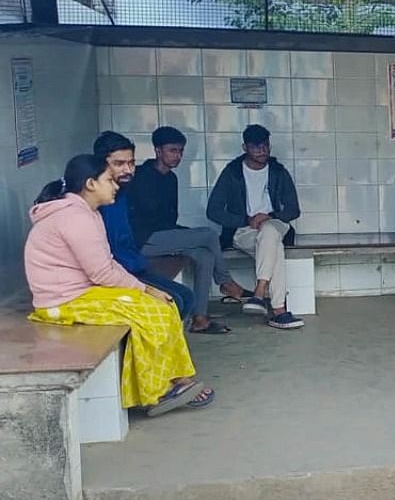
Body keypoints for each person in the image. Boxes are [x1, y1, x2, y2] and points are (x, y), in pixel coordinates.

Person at [24, 154, 211, 416]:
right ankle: (154, 393)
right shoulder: (74, 217)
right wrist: (145, 289)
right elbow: (102, 272)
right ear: (91, 184)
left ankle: (175, 379)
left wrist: (145, 289)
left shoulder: (85, 212)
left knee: (162, 305)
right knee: (152, 312)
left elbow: (107, 264)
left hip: (84, 292)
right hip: (62, 301)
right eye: (109, 180)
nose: (115, 185)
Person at [129, 126, 249, 334]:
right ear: (158, 151)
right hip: (141, 240)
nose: (178, 156)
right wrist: (186, 237)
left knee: (204, 256)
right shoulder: (141, 176)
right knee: (208, 234)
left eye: (181, 151)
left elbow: (169, 218)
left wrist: (184, 236)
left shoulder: (171, 178)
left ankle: (200, 319)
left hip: (162, 236)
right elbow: (146, 218)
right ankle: (226, 282)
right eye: (173, 151)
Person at [206, 124, 304, 330]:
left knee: (270, 230)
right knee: (274, 248)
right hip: (244, 231)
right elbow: (213, 211)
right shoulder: (232, 172)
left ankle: (259, 293)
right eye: (256, 146)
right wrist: (245, 220)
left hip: (276, 223)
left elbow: (294, 210)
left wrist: (270, 216)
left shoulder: (278, 171)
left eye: (266, 146)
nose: (262, 151)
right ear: (245, 147)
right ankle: (279, 312)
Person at [92, 131, 196, 322]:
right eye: (119, 164)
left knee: (186, 297)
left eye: (131, 163)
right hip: (112, 276)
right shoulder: (94, 200)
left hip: (133, 266)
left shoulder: (121, 193)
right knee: (174, 302)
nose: (128, 170)